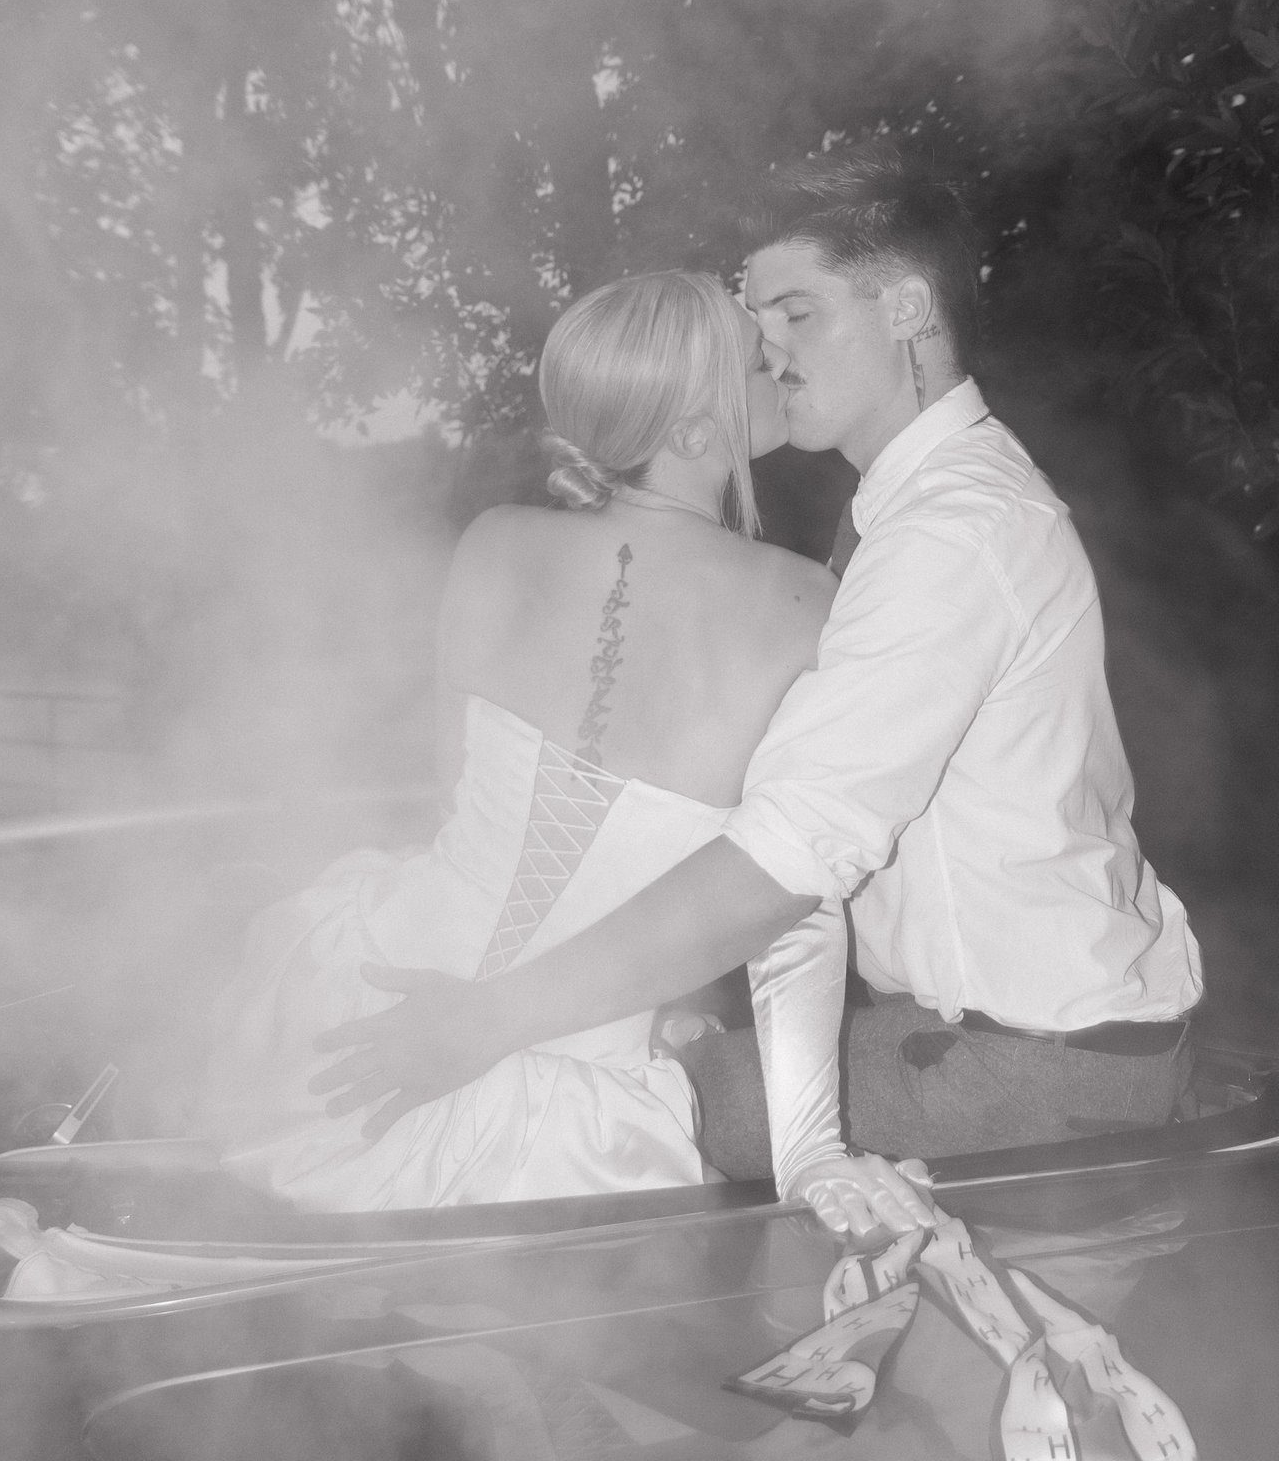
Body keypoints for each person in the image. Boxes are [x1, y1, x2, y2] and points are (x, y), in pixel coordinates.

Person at [313, 158, 1202, 1182]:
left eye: (797, 315)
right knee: (574, 1084)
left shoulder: (956, 531)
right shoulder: (899, 517)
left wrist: (487, 1022)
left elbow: (788, 860)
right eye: (757, 326)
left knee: (561, 1118)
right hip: (975, 1037)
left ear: (908, 308)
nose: (771, 353)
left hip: (1020, 1068)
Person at [209, 268, 894, 1220]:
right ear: (697, 433)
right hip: (572, 1071)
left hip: (373, 993)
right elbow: (782, 883)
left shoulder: (494, 544)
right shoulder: (803, 606)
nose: (777, 361)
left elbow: (451, 791)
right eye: (752, 360)